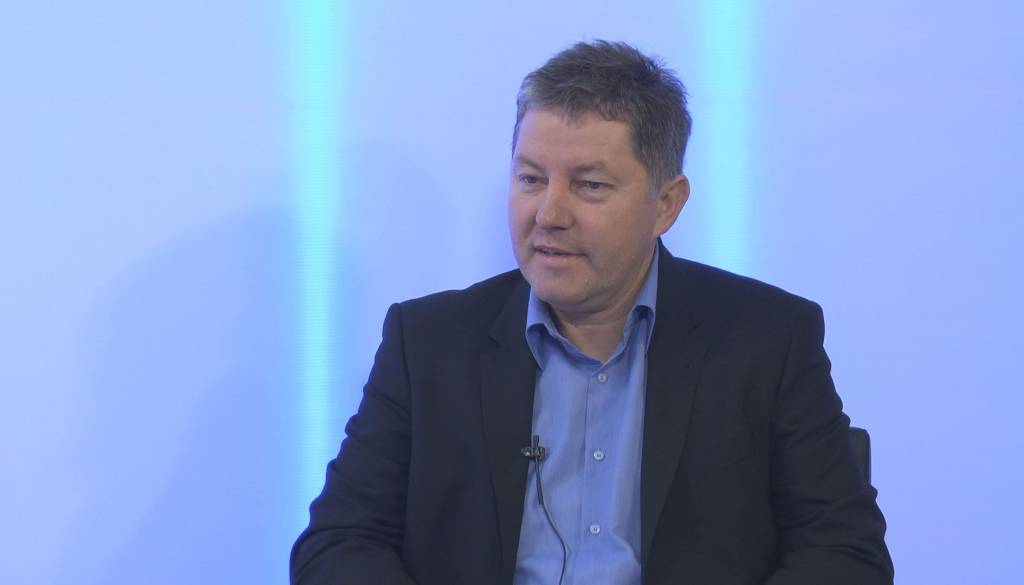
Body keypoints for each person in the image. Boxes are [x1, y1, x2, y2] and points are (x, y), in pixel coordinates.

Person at [290, 40, 893, 585]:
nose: (549, 214)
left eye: (590, 186)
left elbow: (845, 555)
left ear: (666, 203)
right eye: (531, 178)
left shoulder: (768, 339)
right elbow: (337, 545)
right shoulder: (428, 342)